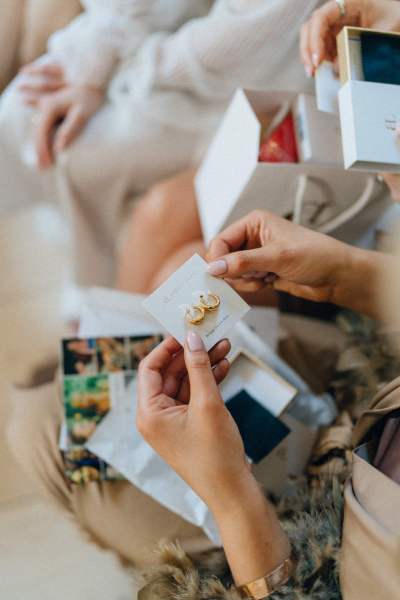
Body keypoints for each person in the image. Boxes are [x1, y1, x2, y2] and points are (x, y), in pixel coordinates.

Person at [136, 209, 400, 600]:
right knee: (180, 262)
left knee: (39, 432)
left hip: (315, 541)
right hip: (364, 390)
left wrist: (231, 497)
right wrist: (349, 275)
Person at [0, 0, 318, 295]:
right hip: (143, 43)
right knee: (19, 114)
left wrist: (120, 70)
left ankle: (93, 290)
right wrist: (94, 62)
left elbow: (233, 49)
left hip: (232, 89)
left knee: (71, 153)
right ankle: (95, 293)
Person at [117, 0, 400, 297]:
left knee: (184, 276)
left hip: (380, 250)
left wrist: (342, 271)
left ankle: (135, 339)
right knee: (162, 209)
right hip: (367, 145)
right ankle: (113, 336)